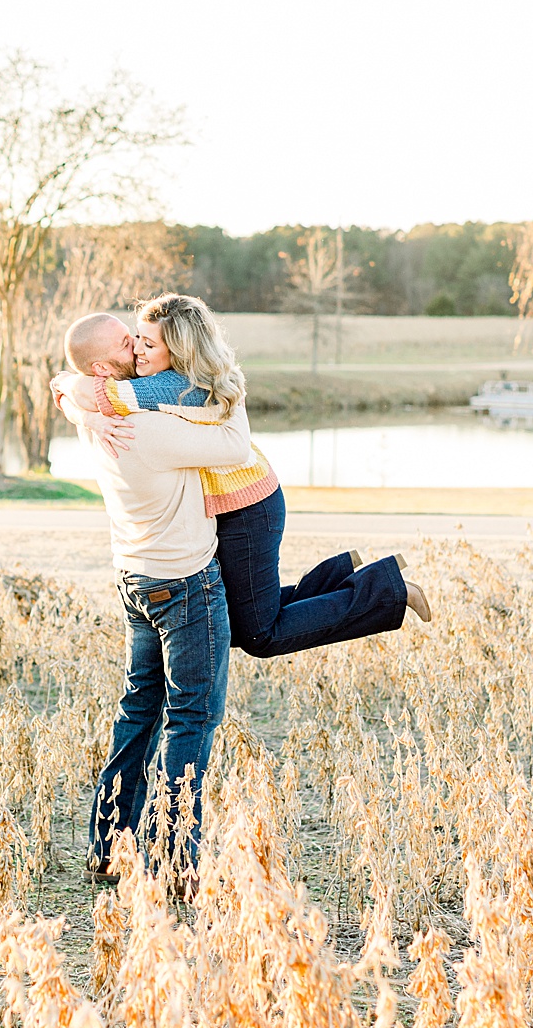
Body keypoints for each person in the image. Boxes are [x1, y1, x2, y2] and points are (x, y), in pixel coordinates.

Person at [54, 294, 427, 659]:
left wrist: (76, 401)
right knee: (241, 617)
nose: (137, 349)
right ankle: (347, 574)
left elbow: (89, 388)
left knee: (257, 635)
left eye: (146, 342)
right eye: (135, 339)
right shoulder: (173, 376)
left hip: (248, 507)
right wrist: (78, 406)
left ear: (179, 350)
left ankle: (388, 591)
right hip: (239, 502)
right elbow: (74, 385)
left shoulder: (176, 386)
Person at [58, 310, 253, 893]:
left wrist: (70, 393)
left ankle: (109, 848)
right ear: (102, 368)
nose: (137, 346)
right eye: (126, 341)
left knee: (137, 712)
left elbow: (74, 388)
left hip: (135, 581)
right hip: (187, 586)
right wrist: (226, 380)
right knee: (191, 719)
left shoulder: (98, 420)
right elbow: (236, 447)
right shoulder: (146, 426)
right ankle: (176, 864)